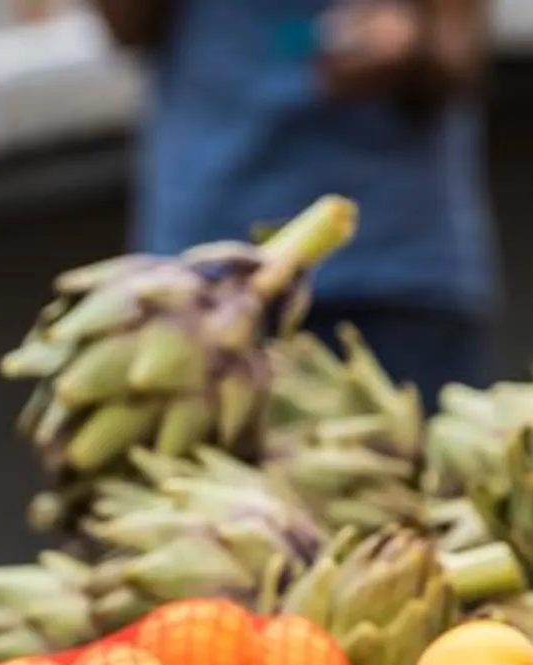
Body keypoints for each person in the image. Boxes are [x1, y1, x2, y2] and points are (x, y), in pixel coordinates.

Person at [103, 0, 498, 401]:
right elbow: (125, 28)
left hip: (395, 266)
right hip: (202, 279)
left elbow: (457, 43)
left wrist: (413, 43)